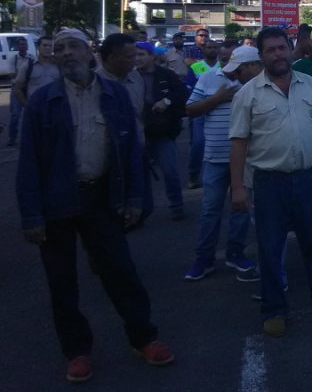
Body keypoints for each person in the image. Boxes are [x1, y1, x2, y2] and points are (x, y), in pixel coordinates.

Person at [16, 29, 172, 383]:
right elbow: (28, 164)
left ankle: (144, 338)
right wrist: (31, 216)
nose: (66, 53)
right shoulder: (42, 101)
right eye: (59, 49)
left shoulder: (115, 94)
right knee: (62, 281)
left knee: (121, 271)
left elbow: (131, 150)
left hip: (102, 198)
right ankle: (77, 351)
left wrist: (135, 199)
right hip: (56, 201)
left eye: (73, 47)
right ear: (54, 58)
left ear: (90, 53)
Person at [229, 27, 312, 338]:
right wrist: (237, 187)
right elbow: (238, 143)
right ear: (261, 56)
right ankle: (274, 310)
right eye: (270, 50)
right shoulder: (247, 94)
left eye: (281, 48)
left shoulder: (311, 86)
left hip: (308, 180)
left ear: (291, 50)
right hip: (269, 183)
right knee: (271, 249)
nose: (277, 54)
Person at [184, 45, 261, 282]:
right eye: (224, 61)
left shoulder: (255, 83)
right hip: (215, 157)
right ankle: (204, 258)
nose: (229, 68)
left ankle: (235, 253)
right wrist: (217, 99)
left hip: (246, 159)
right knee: (210, 210)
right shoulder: (208, 78)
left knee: (241, 210)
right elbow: (189, 110)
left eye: (233, 63)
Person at [135, 41, 189, 221]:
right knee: (136, 174)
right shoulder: (129, 77)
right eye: (134, 55)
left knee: (169, 171)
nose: (137, 58)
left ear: (152, 56)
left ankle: (177, 205)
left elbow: (182, 93)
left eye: (141, 54)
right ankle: (139, 211)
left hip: (161, 131)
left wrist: (166, 102)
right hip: (136, 133)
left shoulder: (166, 74)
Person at [185, 39, 221, 189]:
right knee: (198, 145)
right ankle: (194, 176)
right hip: (200, 111)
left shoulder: (223, 66)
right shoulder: (195, 67)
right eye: (209, 47)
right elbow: (188, 88)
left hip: (219, 111)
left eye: (215, 48)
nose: (212, 50)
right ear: (204, 50)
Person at [14, 36, 59, 109]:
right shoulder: (28, 66)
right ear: (38, 47)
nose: (47, 48)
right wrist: (27, 106)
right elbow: (17, 89)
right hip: (34, 108)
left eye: (50, 46)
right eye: (44, 45)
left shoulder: (59, 67)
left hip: (54, 108)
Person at [7, 37, 33, 146]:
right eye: (21, 44)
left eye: (25, 44)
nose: (23, 46)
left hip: (28, 88)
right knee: (15, 115)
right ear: (18, 46)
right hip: (16, 88)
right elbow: (11, 74)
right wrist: (23, 74)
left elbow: (33, 74)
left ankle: (31, 136)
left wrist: (20, 73)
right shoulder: (13, 58)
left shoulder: (31, 58)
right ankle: (12, 138)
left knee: (31, 114)